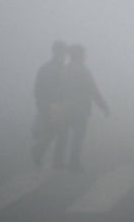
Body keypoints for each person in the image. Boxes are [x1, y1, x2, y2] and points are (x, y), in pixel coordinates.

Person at [57, 44, 109, 172]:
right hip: (80, 109)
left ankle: (58, 161)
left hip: (66, 107)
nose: (85, 57)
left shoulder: (65, 70)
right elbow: (93, 90)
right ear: (79, 55)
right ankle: (73, 162)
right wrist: (104, 106)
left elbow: (59, 90)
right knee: (77, 136)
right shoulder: (83, 71)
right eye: (84, 54)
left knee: (63, 135)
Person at [31, 40, 67, 167]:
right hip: (55, 105)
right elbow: (64, 88)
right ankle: (55, 160)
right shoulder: (61, 68)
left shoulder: (45, 67)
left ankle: (39, 152)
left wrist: (40, 103)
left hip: (48, 104)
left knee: (51, 131)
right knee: (61, 132)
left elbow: (37, 89)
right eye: (63, 51)